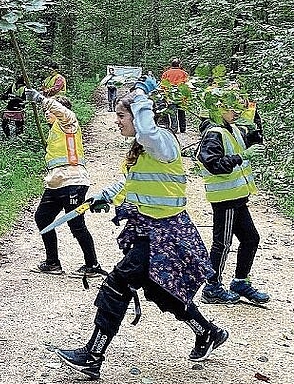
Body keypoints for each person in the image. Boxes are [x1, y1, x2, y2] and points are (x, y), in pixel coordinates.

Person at [53, 76, 225, 380]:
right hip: (150, 230)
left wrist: (142, 94)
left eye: (121, 115)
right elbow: (131, 183)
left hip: (166, 234)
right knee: (162, 290)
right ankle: (207, 332)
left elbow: (147, 129)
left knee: (117, 284)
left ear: (140, 115)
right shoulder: (142, 150)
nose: (117, 121)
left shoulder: (163, 142)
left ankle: (92, 356)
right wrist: (104, 196)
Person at [196, 86, 269, 305]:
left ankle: (240, 282)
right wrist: (240, 157)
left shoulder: (233, 129)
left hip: (237, 197)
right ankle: (212, 287)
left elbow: (253, 144)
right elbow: (213, 164)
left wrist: (255, 123)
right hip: (225, 199)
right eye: (231, 107)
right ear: (218, 109)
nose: (236, 110)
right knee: (223, 243)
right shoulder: (213, 133)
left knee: (250, 238)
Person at [23, 89, 102, 278]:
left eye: (49, 110)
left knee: (76, 223)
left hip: (73, 181)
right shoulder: (56, 131)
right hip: (57, 182)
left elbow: (64, 112)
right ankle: (52, 262)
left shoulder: (69, 123)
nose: (46, 113)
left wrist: (41, 99)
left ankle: (92, 265)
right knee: (42, 217)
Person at [160, 58, 189, 133]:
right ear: (179, 65)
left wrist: (164, 96)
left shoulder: (166, 73)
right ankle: (183, 128)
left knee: (172, 113)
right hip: (181, 96)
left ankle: (174, 128)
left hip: (170, 96)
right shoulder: (184, 73)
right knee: (182, 113)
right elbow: (187, 86)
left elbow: (163, 86)